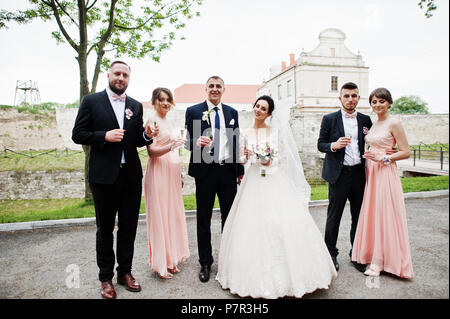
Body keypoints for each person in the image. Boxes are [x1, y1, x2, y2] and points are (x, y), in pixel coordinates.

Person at [216, 95, 337, 299]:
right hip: (252, 181)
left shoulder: (274, 132)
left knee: (277, 221)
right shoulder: (244, 132)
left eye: (263, 108)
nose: (258, 110)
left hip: (272, 179)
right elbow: (242, 159)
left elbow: (278, 158)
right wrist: (246, 157)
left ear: (269, 113)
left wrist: (266, 160)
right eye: (257, 106)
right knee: (251, 224)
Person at [72, 61, 157, 299]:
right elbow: (77, 134)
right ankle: (106, 278)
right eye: (117, 73)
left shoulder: (134, 105)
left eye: (125, 75)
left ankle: (125, 273)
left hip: (130, 176)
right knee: (105, 229)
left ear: (129, 78)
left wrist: (147, 136)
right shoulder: (91, 101)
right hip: (103, 177)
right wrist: (104, 136)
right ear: (109, 75)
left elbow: (137, 140)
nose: (121, 78)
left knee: (128, 228)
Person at [184, 76, 244, 283]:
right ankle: (205, 262)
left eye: (219, 86)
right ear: (206, 89)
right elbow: (186, 143)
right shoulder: (193, 111)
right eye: (212, 86)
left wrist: (240, 170)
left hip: (227, 172)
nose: (215, 89)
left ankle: (228, 260)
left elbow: (235, 143)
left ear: (224, 89)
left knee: (229, 218)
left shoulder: (232, 112)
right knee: (204, 219)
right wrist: (195, 141)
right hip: (205, 173)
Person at [352, 88, 414, 278]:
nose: (377, 105)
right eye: (374, 102)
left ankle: (382, 262)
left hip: (385, 171)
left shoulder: (394, 122)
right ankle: (372, 255)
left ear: (389, 103)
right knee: (373, 214)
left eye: (381, 101)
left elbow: (406, 151)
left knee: (385, 214)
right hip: (371, 172)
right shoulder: (374, 123)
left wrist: (383, 158)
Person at [317, 82, 373, 273]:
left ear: (358, 98)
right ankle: (330, 255)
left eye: (354, 96)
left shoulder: (366, 120)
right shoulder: (329, 119)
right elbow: (320, 144)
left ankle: (357, 255)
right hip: (338, 176)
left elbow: (371, 143)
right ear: (340, 98)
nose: (350, 99)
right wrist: (334, 145)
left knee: (358, 217)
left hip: (359, 174)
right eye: (347, 96)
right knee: (334, 217)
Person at [143, 87, 190, 279]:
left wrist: (178, 174)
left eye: (168, 100)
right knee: (160, 215)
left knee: (171, 214)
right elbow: (152, 152)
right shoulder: (152, 121)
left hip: (171, 173)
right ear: (154, 101)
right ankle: (161, 263)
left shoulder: (168, 121)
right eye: (161, 100)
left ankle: (171, 259)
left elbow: (173, 151)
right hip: (158, 172)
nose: (165, 103)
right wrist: (171, 145)